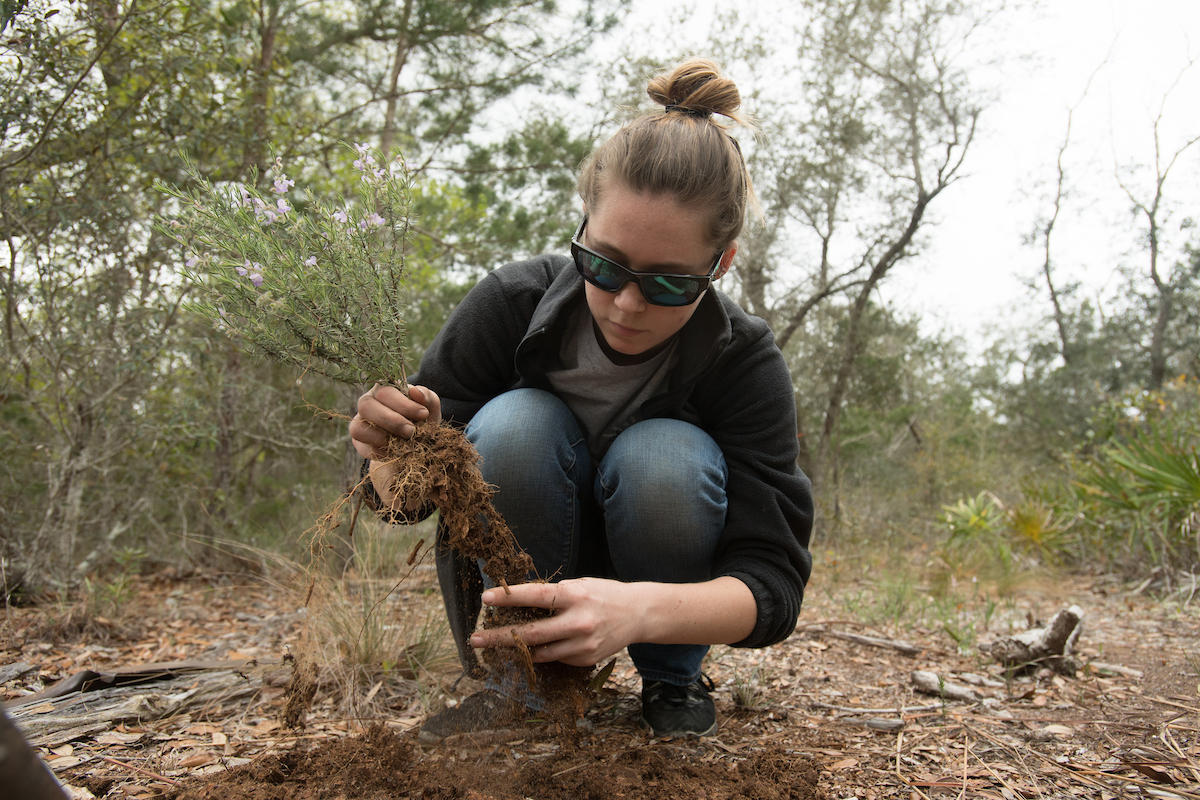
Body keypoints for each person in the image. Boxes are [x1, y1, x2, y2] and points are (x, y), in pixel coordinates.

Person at [349, 57, 813, 742]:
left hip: (656, 587)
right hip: (526, 558)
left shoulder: (742, 359)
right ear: (584, 225)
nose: (626, 304)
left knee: (665, 457)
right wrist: (391, 457)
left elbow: (772, 584)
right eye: (602, 264)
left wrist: (640, 612)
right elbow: (402, 505)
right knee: (511, 424)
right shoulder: (511, 304)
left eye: (668, 284)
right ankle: (523, 684)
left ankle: (672, 681)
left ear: (722, 265)